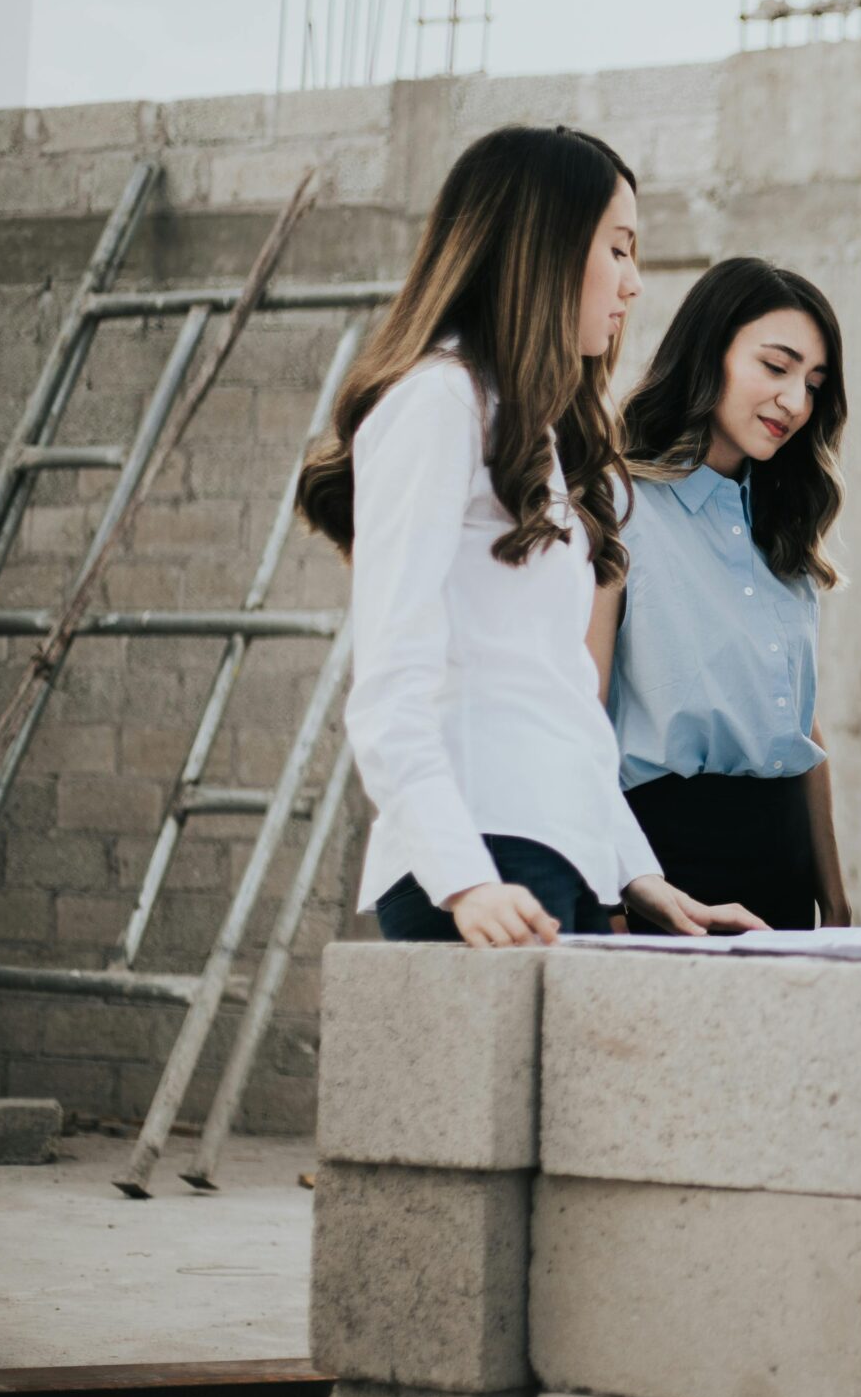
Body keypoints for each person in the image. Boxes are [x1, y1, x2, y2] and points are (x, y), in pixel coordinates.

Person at [296, 125, 764, 948]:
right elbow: (389, 682)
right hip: (481, 853)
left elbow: (555, 695)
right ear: (544, 245)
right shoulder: (437, 402)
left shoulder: (539, 439)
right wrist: (463, 876)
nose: (634, 284)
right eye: (618, 249)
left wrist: (640, 876)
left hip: (558, 852)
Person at [587, 257, 854, 931]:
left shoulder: (785, 534)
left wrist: (837, 900)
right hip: (663, 863)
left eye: (814, 384)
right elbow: (581, 711)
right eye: (776, 366)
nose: (796, 401)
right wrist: (612, 897)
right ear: (710, 353)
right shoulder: (616, 501)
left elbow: (801, 729)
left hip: (784, 868)